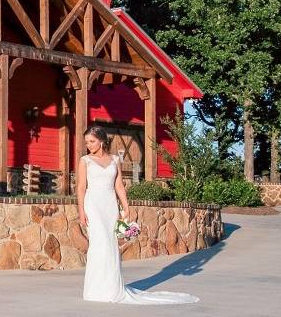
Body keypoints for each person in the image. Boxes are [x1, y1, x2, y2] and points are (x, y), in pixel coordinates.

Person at [76, 126, 199, 304]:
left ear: (102, 141)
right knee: (99, 243)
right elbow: (81, 187)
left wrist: (127, 207)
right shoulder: (85, 160)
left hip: (110, 205)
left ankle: (111, 288)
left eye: (92, 141)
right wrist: (81, 210)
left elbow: (119, 186)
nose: (89, 145)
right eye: (87, 142)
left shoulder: (114, 160)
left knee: (110, 245)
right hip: (93, 204)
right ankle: (94, 290)